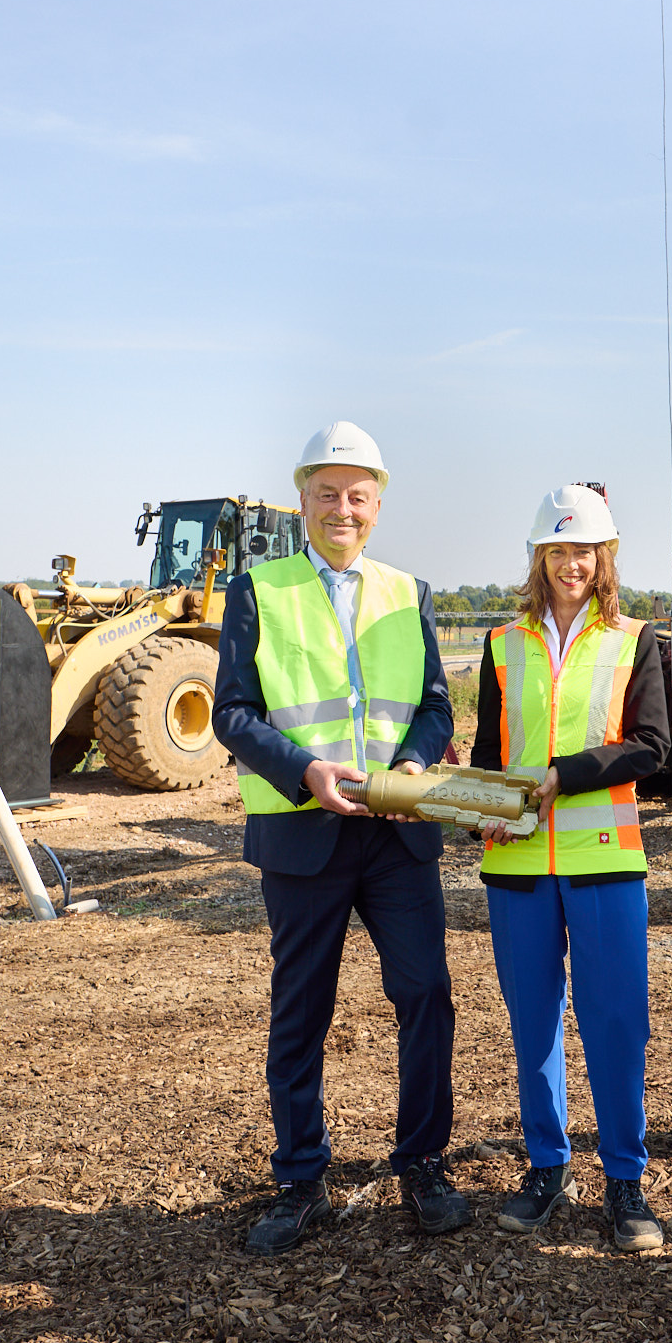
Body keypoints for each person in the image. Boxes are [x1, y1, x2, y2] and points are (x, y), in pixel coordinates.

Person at [214, 421, 468, 1254]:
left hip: (397, 836)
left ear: (378, 503)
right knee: (301, 1014)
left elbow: (434, 705)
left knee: (426, 994)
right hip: (302, 832)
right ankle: (299, 1179)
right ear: (303, 500)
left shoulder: (409, 591)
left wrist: (413, 763)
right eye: (327, 492)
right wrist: (305, 771)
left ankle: (423, 1163)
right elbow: (233, 714)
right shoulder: (260, 588)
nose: (342, 508)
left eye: (358, 494)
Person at [469, 485, 672, 1253]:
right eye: (558, 550)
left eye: (585, 549)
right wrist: (479, 798)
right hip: (517, 861)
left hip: (604, 859)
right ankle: (547, 1166)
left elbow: (650, 749)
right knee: (533, 1025)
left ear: (604, 555)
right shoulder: (500, 643)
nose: (572, 563)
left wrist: (563, 772)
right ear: (539, 556)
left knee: (616, 1025)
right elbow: (491, 753)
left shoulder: (634, 639)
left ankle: (626, 1180)